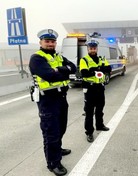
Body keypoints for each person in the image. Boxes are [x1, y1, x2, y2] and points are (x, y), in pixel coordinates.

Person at [29, 29, 76, 176]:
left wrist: (60, 69)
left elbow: (73, 67)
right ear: (41, 42)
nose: (50, 43)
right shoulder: (37, 58)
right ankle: (53, 163)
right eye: (47, 41)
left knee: (61, 128)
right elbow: (50, 76)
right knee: (51, 133)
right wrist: (63, 71)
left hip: (61, 98)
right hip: (47, 100)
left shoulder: (58, 56)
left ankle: (57, 149)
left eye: (52, 41)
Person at [79, 39, 111, 143]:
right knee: (89, 112)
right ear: (88, 49)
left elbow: (108, 68)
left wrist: (94, 70)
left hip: (100, 88)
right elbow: (85, 73)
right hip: (90, 89)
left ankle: (100, 125)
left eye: (94, 48)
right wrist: (100, 69)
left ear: (97, 48)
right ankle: (89, 132)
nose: (92, 50)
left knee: (100, 109)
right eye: (90, 48)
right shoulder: (84, 60)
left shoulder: (102, 58)